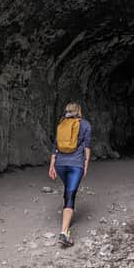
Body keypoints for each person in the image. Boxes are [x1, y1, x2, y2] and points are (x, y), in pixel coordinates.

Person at [48, 102, 91, 247]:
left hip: (60, 164)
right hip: (75, 165)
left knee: (68, 190)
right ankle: (64, 233)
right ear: (79, 111)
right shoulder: (85, 125)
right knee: (71, 194)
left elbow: (55, 146)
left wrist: (52, 165)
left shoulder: (61, 124)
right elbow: (87, 147)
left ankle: (66, 219)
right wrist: (85, 164)